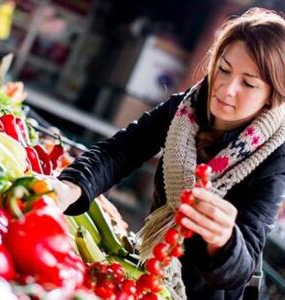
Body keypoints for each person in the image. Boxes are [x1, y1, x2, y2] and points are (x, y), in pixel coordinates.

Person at [50, 7, 285, 300]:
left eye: (248, 83)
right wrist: (68, 188)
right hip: (151, 273)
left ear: (272, 96)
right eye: (223, 69)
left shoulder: (275, 156)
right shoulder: (183, 111)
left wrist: (224, 241)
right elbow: (119, 152)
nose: (226, 88)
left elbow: (243, 266)